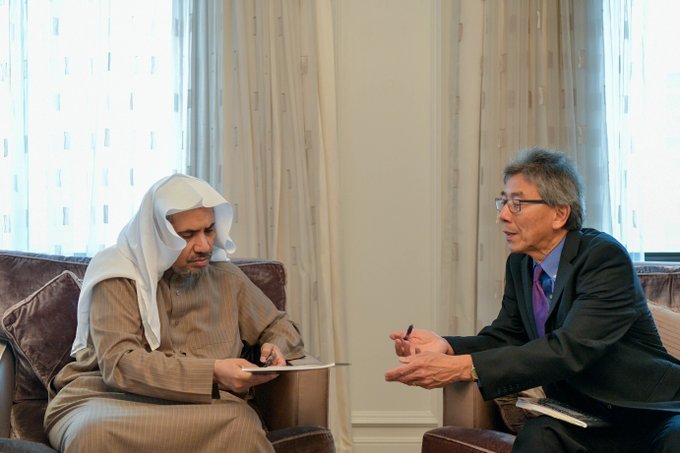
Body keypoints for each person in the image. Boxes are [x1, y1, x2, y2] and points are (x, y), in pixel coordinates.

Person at [385, 148, 680, 451]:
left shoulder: (602, 257)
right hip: (588, 420)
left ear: (559, 213)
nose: (502, 214)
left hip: (655, 412)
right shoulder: (521, 265)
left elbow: (571, 348)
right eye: (503, 202)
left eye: (517, 203)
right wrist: (447, 346)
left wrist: (464, 367)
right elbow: (508, 336)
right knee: (540, 436)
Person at [45, 174, 305, 452]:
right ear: (159, 235)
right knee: (92, 434)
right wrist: (214, 372)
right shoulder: (118, 276)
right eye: (188, 235)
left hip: (207, 406)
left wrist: (273, 348)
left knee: (241, 427)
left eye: (209, 230)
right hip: (108, 399)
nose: (204, 246)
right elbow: (120, 364)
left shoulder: (227, 279)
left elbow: (281, 327)